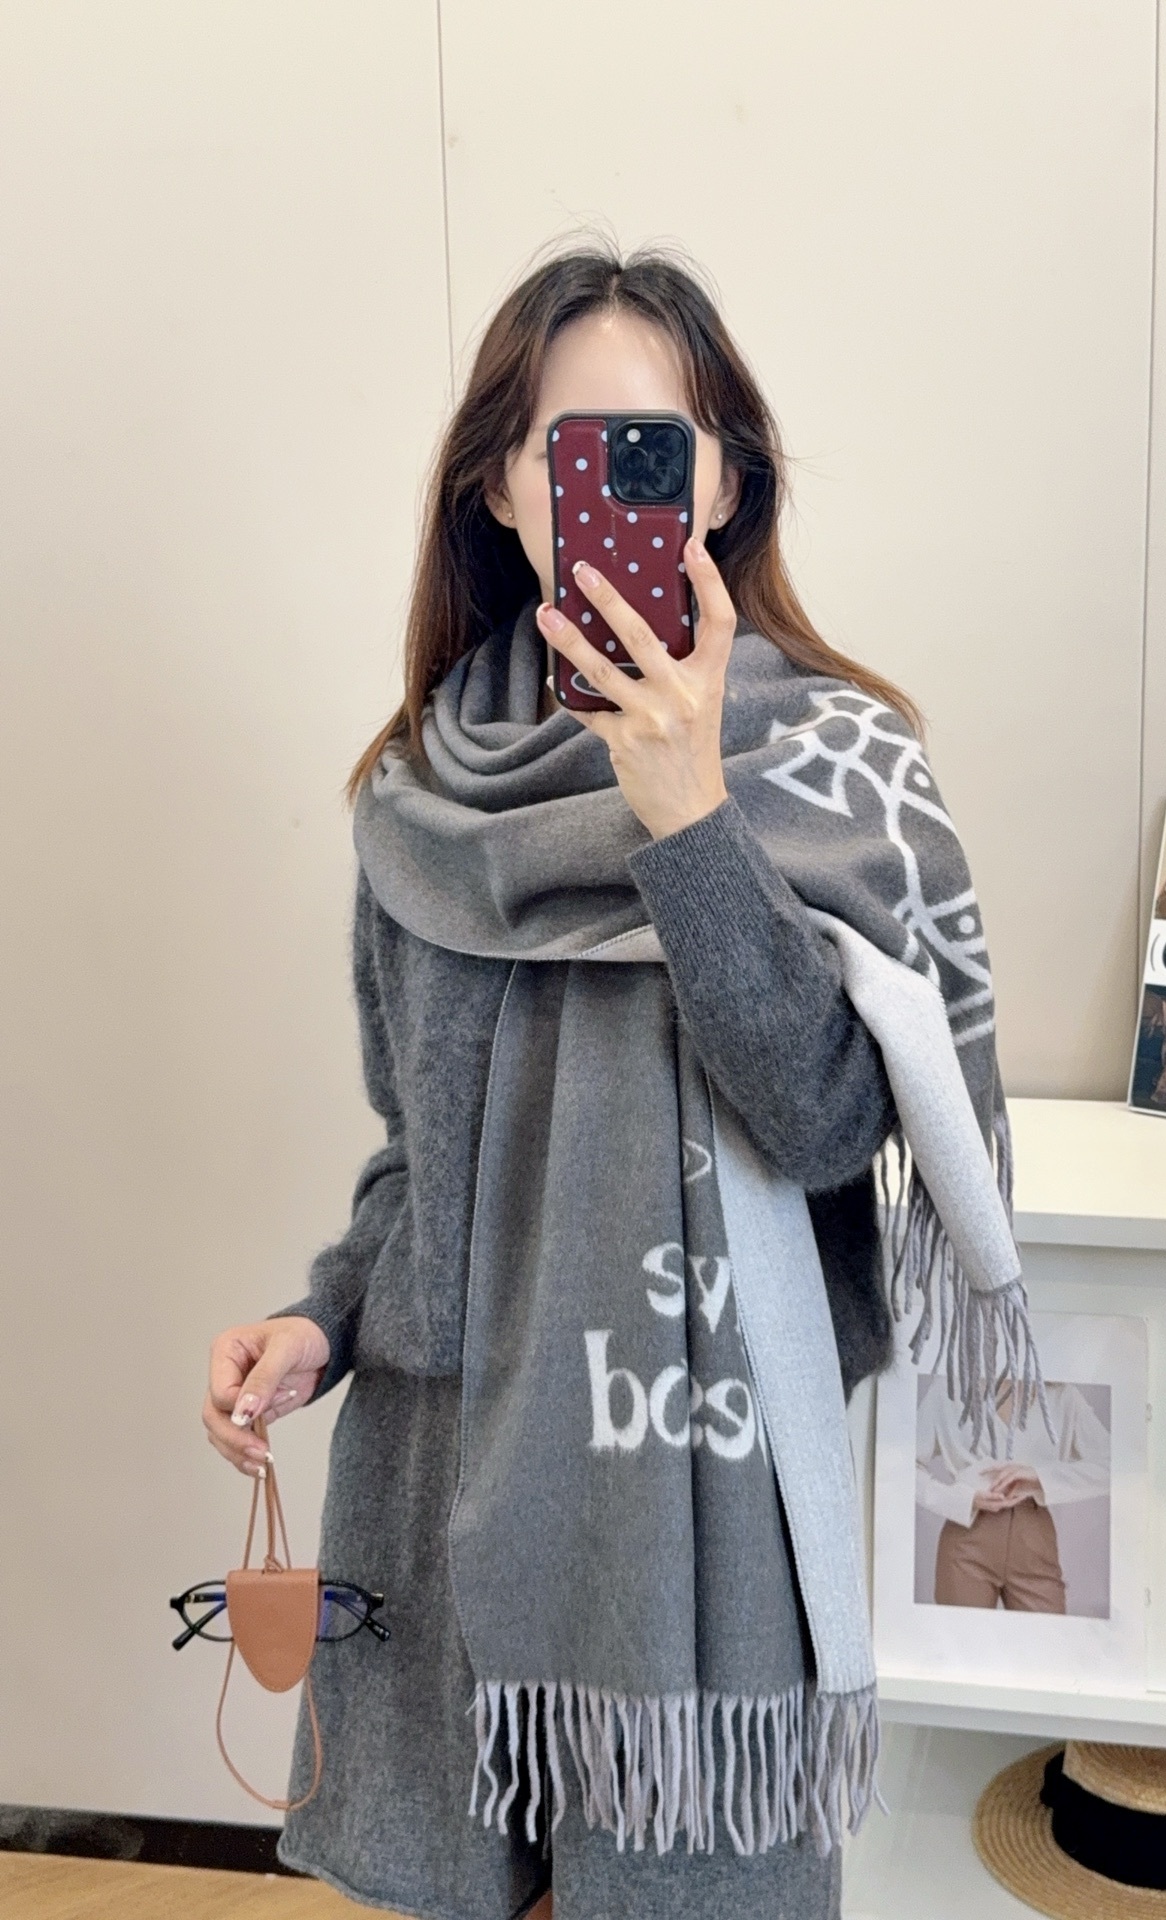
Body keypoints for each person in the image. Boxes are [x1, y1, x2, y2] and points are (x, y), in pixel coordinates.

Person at [199, 247, 1025, 1920]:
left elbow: (826, 1125)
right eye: (570, 448)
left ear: (725, 481)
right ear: (499, 487)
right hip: (455, 1476)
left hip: (696, 1503)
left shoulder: (838, 763)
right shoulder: (423, 794)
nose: (618, 488)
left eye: (661, 446)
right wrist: (321, 1319)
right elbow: (419, 1155)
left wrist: (692, 820)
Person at [916, 1377, 1109, 1613]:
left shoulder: (1063, 1395)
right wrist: (962, 1500)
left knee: (1046, 1635)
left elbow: (1114, 1465)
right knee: (963, 1636)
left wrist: (1040, 1476)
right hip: (967, 1536)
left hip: (1034, 1537)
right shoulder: (950, 1387)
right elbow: (903, 1466)